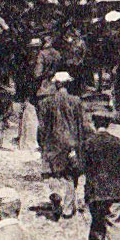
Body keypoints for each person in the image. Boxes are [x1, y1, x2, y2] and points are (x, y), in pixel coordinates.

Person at [80, 115, 120, 240]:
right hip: (116, 190)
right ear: (108, 124)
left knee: (97, 220)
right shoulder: (118, 142)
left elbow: (80, 166)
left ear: (94, 124)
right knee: (115, 225)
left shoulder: (87, 143)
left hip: (95, 190)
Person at [38, 72, 86, 219]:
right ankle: (67, 208)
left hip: (53, 143)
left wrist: (42, 143)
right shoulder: (76, 101)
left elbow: (42, 127)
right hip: (71, 143)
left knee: (52, 173)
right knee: (71, 175)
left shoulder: (47, 102)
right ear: (67, 83)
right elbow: (81, 125)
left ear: (56, 84)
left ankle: (56, 194)